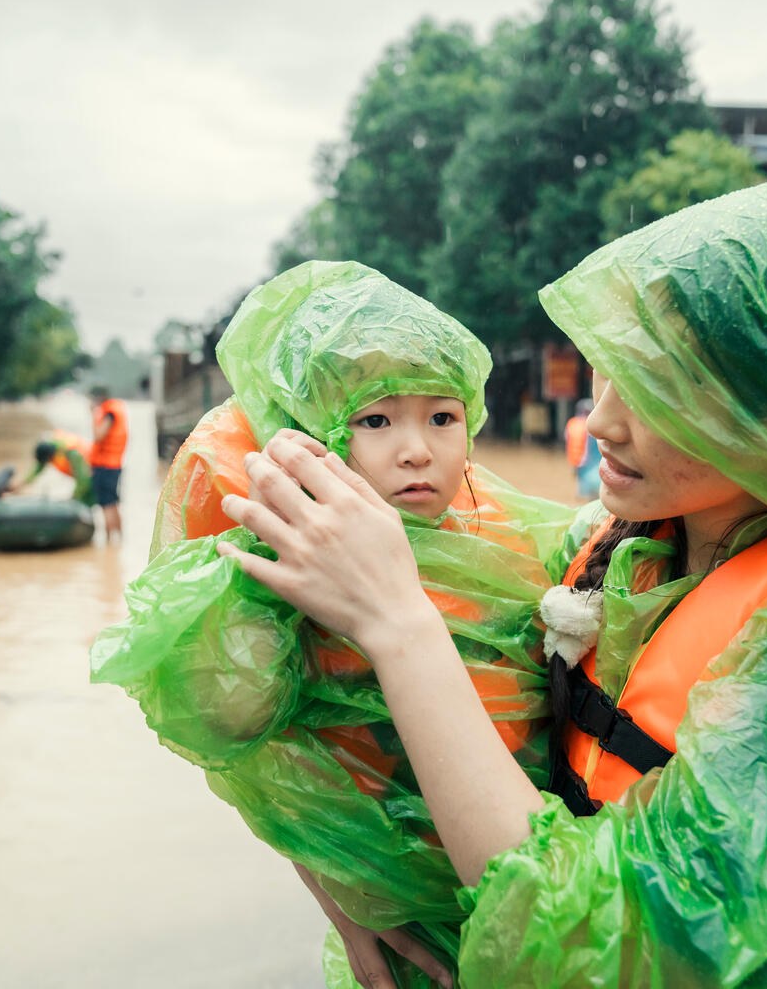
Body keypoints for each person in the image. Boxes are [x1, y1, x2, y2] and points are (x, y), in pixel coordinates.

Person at [219, 177, 767, 988]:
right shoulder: (615, 548)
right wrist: (351, 882)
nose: (601, 420)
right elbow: (299, 683)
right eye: (607, 373)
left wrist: (400, 625)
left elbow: (593, 951)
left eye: (652, 388)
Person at [93, 261, 570, 983]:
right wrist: (338, 877)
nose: (418, 449)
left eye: (443, 418)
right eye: (375, 420)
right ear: (315, 438)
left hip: (541, 876)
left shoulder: (510, 538)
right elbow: (236, 725)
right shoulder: (295, 562)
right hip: (391, 891)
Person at [12, 430, 94, 504]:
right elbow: (37, 470)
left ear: (50, 456)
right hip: (85, 478)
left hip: (94, 474)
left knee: (86, 503)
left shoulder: (71, 452)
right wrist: (20, 486)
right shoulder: (48, 447)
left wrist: (74, 497)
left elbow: (83, 480)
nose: (48, 463)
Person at [88, 385, 127, 543]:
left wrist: (92, 414)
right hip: (114, 465)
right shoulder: (116, 409)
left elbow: (98, 436)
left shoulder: (109, 413)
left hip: (105, 466)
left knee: (107, 505)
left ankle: (109, 541)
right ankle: (120, 542)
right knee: (113, 503)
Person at [563, 398, 600, 501]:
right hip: (588, 458)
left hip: (575, 457)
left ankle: (582, 494)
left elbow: (566, 438)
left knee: (582, 477)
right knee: (592, 475)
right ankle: (592, 495)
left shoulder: (572, 423)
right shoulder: (590, 424)